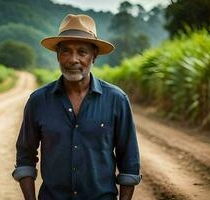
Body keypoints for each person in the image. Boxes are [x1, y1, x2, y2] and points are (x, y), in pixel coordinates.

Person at [12, 14, 142, 200]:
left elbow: (129, 162)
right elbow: (25, 157)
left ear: (94, 56)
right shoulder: (38, 101)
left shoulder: (116, 100)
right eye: (66, 51)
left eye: (82, 52)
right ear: (58, 55)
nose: (73, 59)